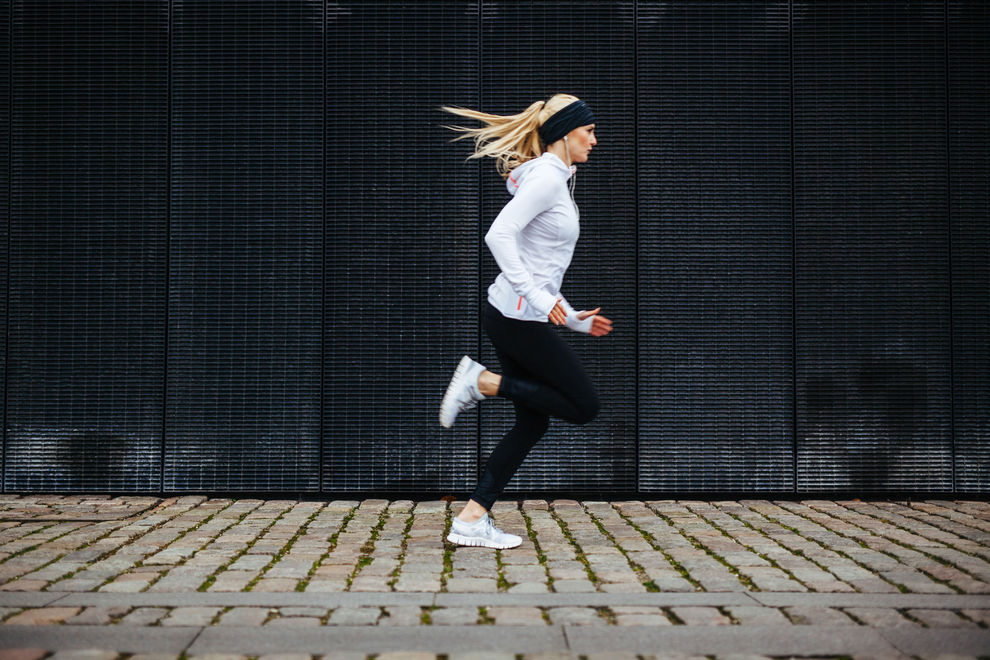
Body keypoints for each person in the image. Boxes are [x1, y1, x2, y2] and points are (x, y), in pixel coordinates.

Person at [436, 93, 613, 549]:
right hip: (517, 318)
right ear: (566, 132)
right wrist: (536, 297)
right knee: (584, 406)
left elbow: (540, 263)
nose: (595, 140)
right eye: (589, 131)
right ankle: (483, 383)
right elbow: (499, 235)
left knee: (533, 424)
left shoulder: (556, 178)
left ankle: (472, 520)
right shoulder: (549, 180)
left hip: (513, 314)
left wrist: (571, 318)